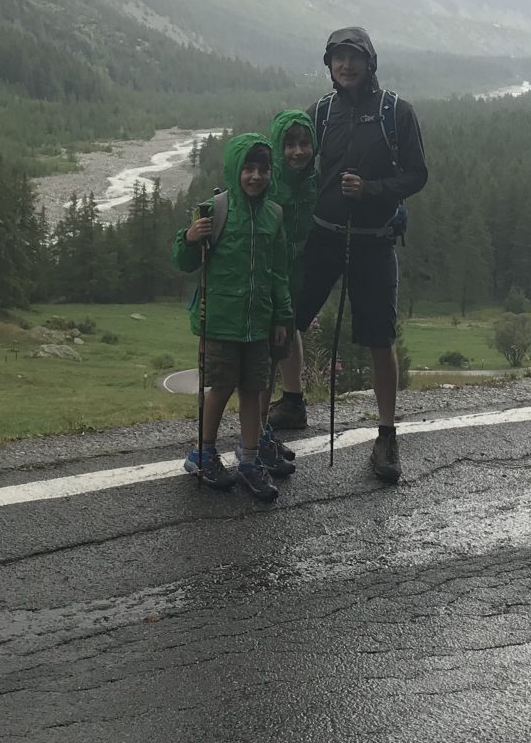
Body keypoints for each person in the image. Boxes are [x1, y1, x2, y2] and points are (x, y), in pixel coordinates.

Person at [286, 27, 427, 483]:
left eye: (354, 58)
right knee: (288, 318)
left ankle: (386, 436)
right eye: (337, 58)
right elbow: (293, 164)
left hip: (373, 240)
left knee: (379, 339)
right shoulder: (320, 113)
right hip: (322, 236)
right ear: (329, 64)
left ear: (370, 63)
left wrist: (370, 191)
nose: (345, 66)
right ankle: (292, 403)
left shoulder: (395, 112)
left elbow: (416, 175)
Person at [173, 133, 294, 500]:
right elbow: (185, 262)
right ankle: (203, 452)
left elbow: (278, 272)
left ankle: (249, 458)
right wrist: (190, 238)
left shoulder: (274, 214)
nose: (256, 176)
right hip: (220, 321)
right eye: (248, 168)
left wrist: (281, 317)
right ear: (234, 169)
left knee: (254, 390)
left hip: (258, 321)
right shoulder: (216, 210)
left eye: (263, 169)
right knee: (221, 387)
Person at [257, 110, 318, 471]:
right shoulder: (267, 182)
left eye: (304, 143)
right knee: (268, 345)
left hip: (300, 273)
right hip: (268, 272)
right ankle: (258, 428)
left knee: (289, 329)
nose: (297, 151)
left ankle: (291, 403)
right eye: (290, 144)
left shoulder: (315, 181)